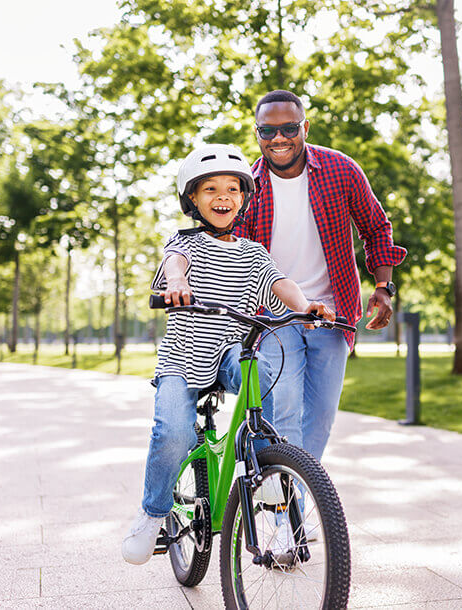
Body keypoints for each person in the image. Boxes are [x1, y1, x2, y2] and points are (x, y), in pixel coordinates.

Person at [121, 143, 334, 565]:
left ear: (243, 198)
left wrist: (305, 306)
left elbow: (280, 283)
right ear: (193, 199)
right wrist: (177, 284)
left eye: (233, 189)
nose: (223, 197)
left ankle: (265, 467)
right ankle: (153, 514)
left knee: (263, 372)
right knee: (174, 433)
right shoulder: (184, 243)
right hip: (183, 358)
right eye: (211, 189)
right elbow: (176, 263)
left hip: (228, 351)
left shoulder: (252, 253)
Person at [237, 90, 407, 460]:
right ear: (256, 133)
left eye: (289, 128)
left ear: (305, 127)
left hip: (333, 312)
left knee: (322, 417)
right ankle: (282, 492)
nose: (279, 138)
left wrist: (383, 286)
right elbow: (235, 255)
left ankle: (302, 485)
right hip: (274, 315)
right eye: (268, 131)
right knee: (284, 411)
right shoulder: (247, 186)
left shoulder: (340, 170)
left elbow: (376, 228)